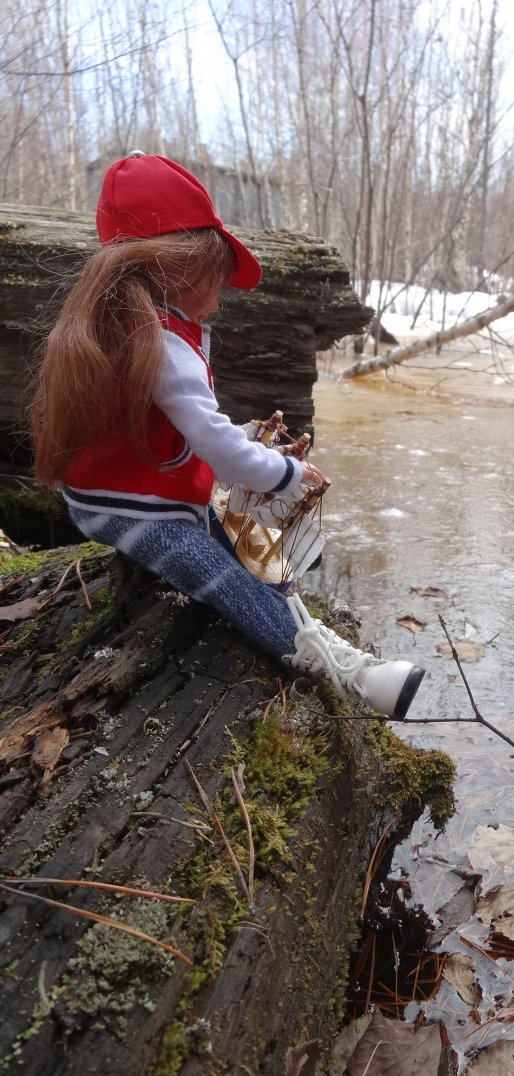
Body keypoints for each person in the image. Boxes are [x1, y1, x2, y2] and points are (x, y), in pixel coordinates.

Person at [30, 152, 425, 721]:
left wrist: (247, 441)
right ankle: (337, 670)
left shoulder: (123, 327)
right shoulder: (161, 343)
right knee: (221, 575)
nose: (218, 295)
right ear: (179, 266)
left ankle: (319, 637)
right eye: (213, 277)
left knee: (243, 546)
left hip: (115, 492)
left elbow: (171, 431)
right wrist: (283, 473)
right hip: (133, 510)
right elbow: (214, 446)